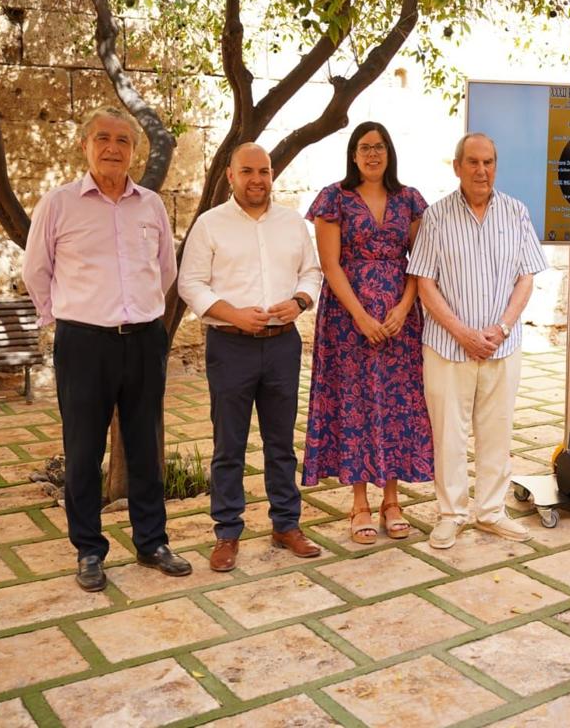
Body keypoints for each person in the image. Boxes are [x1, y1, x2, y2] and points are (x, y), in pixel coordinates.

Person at [23, 105, 190, 591]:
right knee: (83, 450)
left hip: (142, 341)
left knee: (143, 446)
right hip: (84, 344)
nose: (113, 148)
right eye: (103, 138)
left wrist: (141, 313)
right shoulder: (59, 204)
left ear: (134, 150)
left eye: (123, 140)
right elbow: (37, 270)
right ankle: (89, 550)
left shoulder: (151, 205)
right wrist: (66, 320)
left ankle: (152, 542)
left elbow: (165, 271)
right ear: (84, 146)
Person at [178, 142, 323, 572]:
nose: (257, 179)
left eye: (264, 171)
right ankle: (227, 533)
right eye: (248, 171)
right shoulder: (210, 225)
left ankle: (286, 524)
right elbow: (191, 284)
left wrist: (299, 301)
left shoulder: (293, 223)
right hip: (230, 346)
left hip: (283, 344)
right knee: (229, 446)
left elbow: (311, 273)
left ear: (272, 173)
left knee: (281, 443)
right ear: (230, 175)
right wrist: (234, 315)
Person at [406, 132, 547, 549]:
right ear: (457, 167)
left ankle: (490, 511)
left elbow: (526, 277)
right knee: (449, 433)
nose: (481, 170)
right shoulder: (436, 217)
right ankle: (451, 513)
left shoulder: (516, 212)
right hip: (448, 347)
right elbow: (424, 283)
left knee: (497, 430)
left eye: (488, 162)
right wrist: (462, 332)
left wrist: (501, 327)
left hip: (502, 345)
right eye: (473, 162)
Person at [302, 122, 433, 544]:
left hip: (400, 322)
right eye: (364, 147)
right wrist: (360, 315)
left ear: (389, 152)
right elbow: (330, 264)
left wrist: (404, 306)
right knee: (355, 405)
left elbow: (422, 258)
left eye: (379, 147)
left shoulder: (409, 200)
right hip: (348, 323)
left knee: (397, 405)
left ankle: (392, 500)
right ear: (353, 155)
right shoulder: (334, 198)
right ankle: (358, 503)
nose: (372, 154)